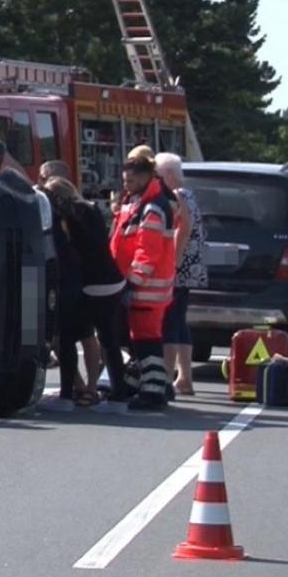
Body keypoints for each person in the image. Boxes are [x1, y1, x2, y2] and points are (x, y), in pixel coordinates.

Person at [41, 175, 129, 406]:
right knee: (108, 340)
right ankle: (117, 394)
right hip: (112, 278)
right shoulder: (91, 210)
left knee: (67, 336)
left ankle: (68, 393)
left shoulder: (66, 216)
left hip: (88, 283)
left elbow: (70, 250)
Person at [110, 156, 177, 411]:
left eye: (131, 180)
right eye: (125, 180)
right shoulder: (139, 202)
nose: (127, 185)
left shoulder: (152, 208)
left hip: (147, 288)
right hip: (143, 284)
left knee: (147, 341)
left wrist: (132, 282)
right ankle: (138, 380)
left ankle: (153, 390)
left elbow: (148, 252)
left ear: (146, 176)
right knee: (137, 339)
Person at [155, 152, 208, 396]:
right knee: (180, 321)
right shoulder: (189, 194)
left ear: (168, 174)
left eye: (158, 174)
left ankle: (166, 378)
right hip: (190, 268)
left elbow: (182, 229)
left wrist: (172, 262)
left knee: (170, 322)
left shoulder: (177, 196)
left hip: (179, 268)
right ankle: (184, 377)